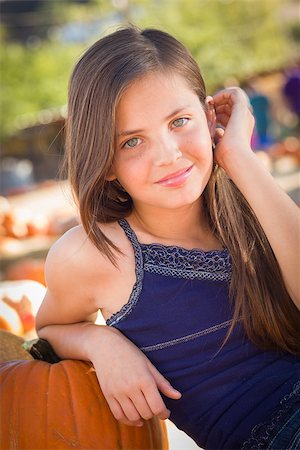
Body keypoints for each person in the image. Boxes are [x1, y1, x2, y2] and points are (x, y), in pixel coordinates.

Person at [35, 27, 300, 450]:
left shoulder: (255, 203)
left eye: (180, 121)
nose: (168, 154)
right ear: (104, 161)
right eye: (132, 141)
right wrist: (99, 342)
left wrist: (240, 158)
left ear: (211, 117)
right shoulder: (94, 254)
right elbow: (50, 327)